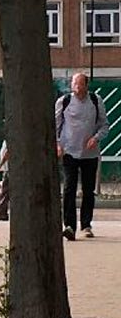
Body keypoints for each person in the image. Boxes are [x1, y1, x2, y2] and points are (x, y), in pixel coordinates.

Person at [55, 72, 109, 240]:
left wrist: (96, 138)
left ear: (87, 85)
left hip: (89, 153)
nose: (77, 87)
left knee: (88, 190)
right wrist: (57, 144)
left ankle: (86, 224)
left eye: (80, 84)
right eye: (74, 84)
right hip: (69, 151)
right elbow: (55, 125)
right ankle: (69, 226)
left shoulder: (95, 101)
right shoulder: (64, 102)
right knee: (69, 188)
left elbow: (104, 125)